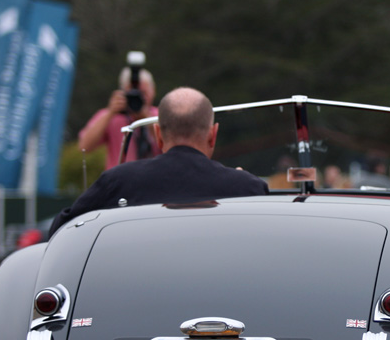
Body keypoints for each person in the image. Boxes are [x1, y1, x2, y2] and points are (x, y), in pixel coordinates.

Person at [50, 87, 269, 237]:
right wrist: (241, 181)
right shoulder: (246, 187)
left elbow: (61, 229)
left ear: (159, 133)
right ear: (213, 134)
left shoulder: (118, 181)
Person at [78, 63, 160, 169]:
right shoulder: (111, 116)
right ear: (123, 92)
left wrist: (147, 120)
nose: (139, 98)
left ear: (153, 92)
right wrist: (110, 112)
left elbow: (171, 145)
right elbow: (84, 147)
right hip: (120, 182)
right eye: (133, 94)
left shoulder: (160, 115)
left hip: (155, 180)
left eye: (143, 93)